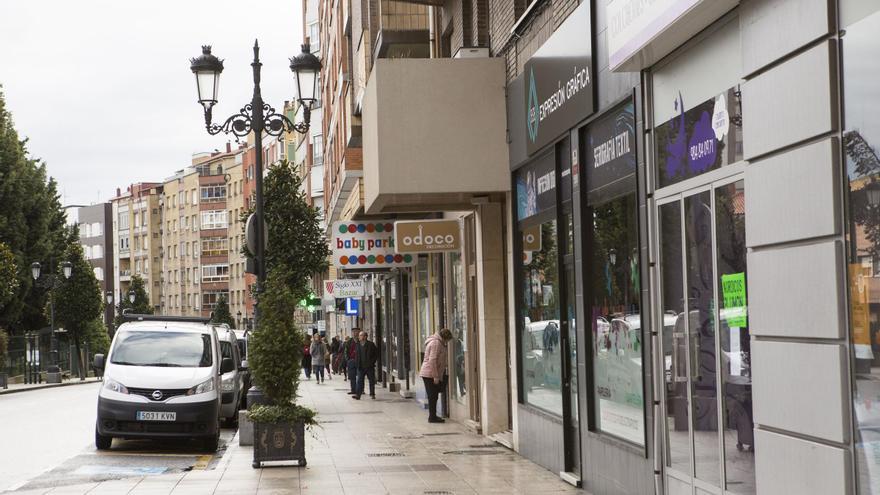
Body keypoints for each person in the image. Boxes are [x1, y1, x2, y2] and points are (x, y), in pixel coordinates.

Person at [419, 328, 453, 423]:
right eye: (448, 340)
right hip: (429, 373)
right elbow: (432, 360)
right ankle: (432, 417)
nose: (447, 342)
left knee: (433, 395)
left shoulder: (438, 342)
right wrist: (436, 376)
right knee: (432, 395)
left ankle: (433, 416)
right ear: (445, 337)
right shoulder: (436, 343)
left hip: (431, 373)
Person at [352, 331, 378, 400]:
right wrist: (356, 363)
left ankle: (372, 393)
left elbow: (376, 355)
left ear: (365, 336)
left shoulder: (371, 344)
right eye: (360, 336)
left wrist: (372, 362)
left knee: (371, 381)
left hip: (369, 367)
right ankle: (358, 395)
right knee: (359, 381)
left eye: (361, 335)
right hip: (360, 367)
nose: (360, 337)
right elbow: (356, 355)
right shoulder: (358, 345)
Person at [344, 329, 360, 394]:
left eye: (356, 332)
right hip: (351, 361)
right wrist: (348, 359)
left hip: (359, 361)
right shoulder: (349, 342)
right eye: (353, 332)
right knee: (352, 376)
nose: (355, 333)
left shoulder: (361, 341)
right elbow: (346, 351)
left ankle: (360, 390)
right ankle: (353, 390)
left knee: (360, 376)